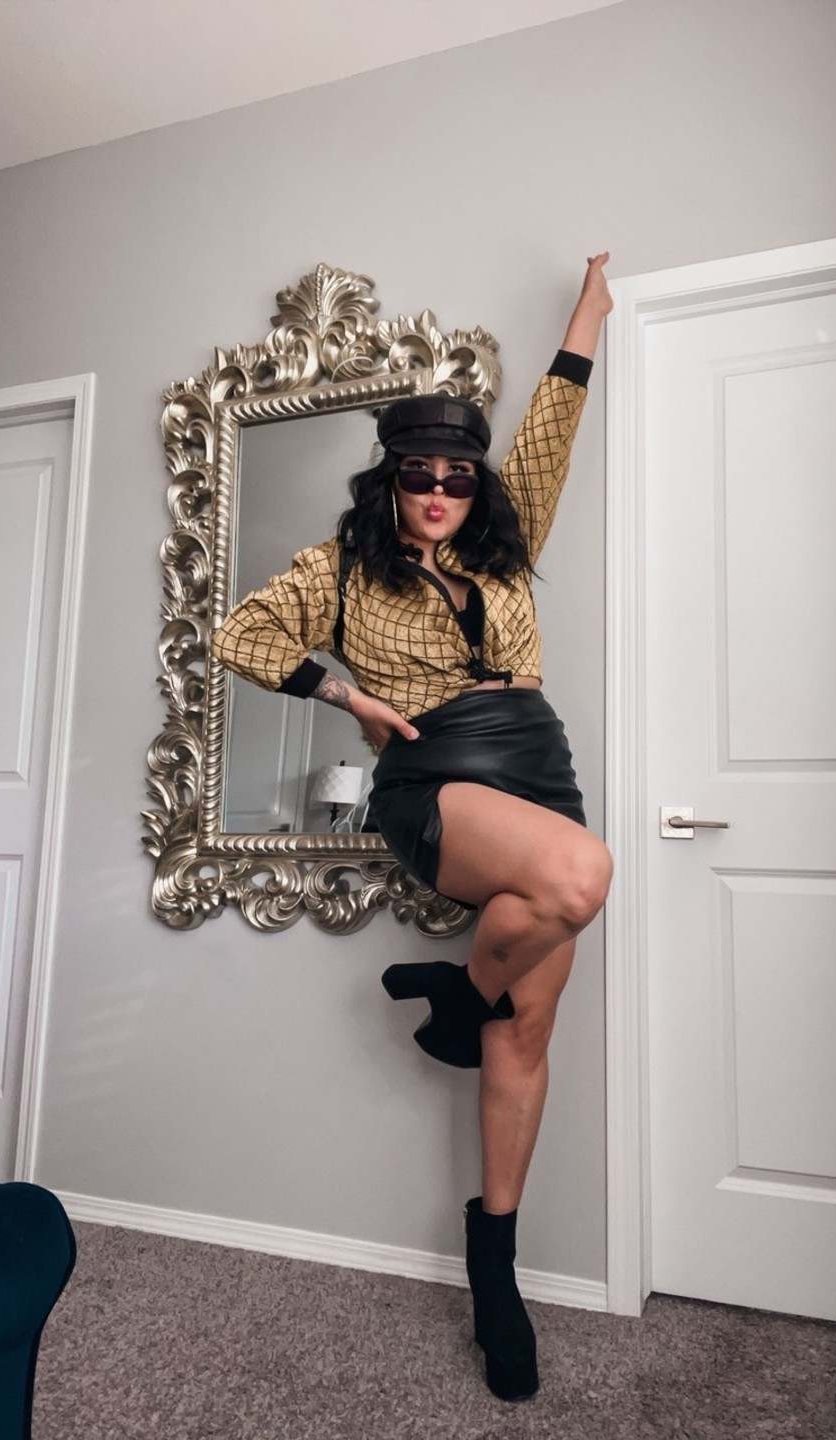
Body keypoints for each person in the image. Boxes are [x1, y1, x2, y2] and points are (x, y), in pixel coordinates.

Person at [213, 255, 614, 1403]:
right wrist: (345, 696)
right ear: (389, 481)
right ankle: (460, 997)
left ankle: (496, 1275)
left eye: (457, 476)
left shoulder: (506, 541)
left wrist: (589, 311)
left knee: (528, 1031)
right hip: (433, 774)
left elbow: (552, 429)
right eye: (418, 475)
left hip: (538, 764)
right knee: (580, 879)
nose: (440, 492)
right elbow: (239, 636)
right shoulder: (341, 569)